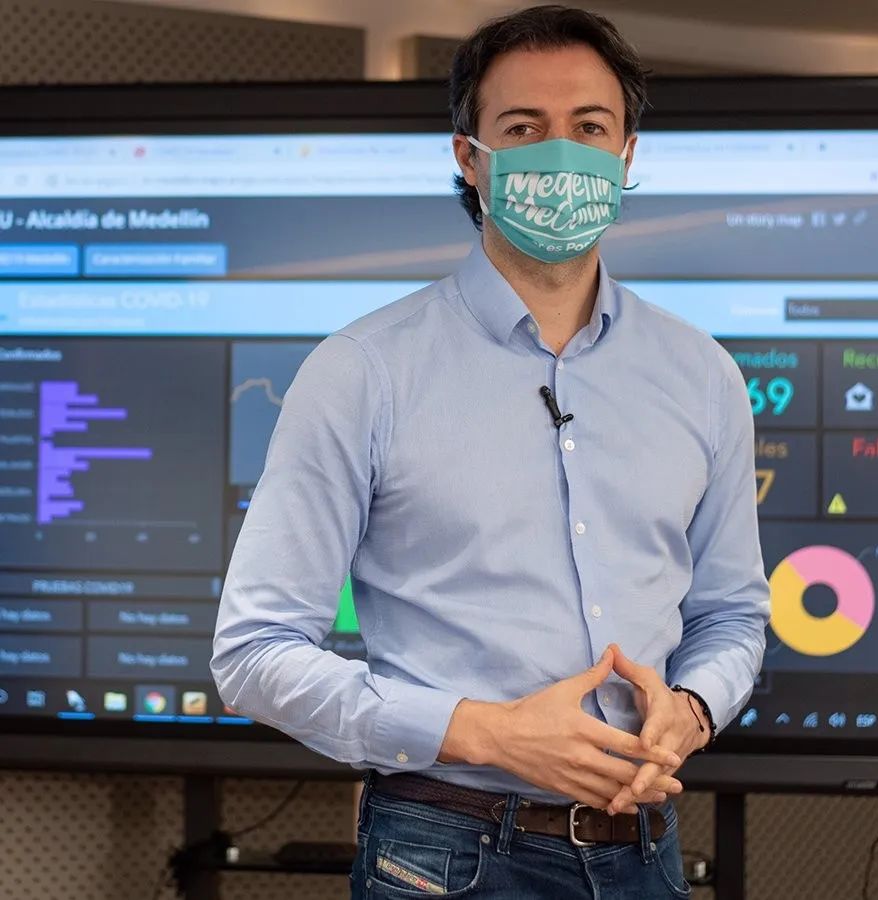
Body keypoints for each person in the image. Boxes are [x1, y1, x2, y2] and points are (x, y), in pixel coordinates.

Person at [211, 5, 770, 897]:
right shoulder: (364, 371)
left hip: (646, 849)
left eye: (590, 127)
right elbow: (254, 654)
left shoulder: (702, 374)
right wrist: (484, 731)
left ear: (627, 155)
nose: (563, 154)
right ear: (469, 157)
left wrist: (692, 708)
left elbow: (733, 616)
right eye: (524, 128)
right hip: (445, 849)